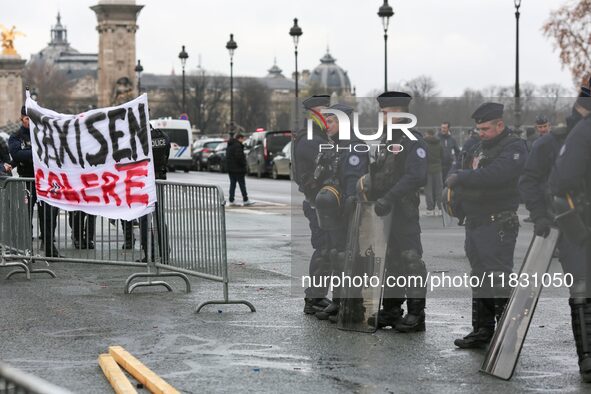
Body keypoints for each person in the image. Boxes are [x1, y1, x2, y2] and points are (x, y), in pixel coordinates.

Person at [446, 102, 527, 349]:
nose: (480, 133)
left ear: (499, 125)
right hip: (476, 222)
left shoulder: (514, 146)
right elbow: (458, 166)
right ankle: (482, 330)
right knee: (480, 278)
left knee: (499, 279)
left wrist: (463, 178)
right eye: (478, 128)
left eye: (485, 128)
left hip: (498, 222)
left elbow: (497, 174)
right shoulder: (480, 146)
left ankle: (506, 334)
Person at [364, 91, 429, 333]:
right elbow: (380, 174)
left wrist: (388, 198)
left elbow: (416, 176)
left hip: (403, 210)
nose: (383, 116)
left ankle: (416, 313)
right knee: (390, 261)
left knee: (410, 260)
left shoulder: (413, 140)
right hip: (384, 211)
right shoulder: (385, 140)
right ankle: (391, 309)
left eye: (387, 112)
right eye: (382, 112)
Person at [548, 83, 591, 382]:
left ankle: (588, 357)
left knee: (582, 290)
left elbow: (563, 180)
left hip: (583, 222)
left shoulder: (582, 132)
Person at [312, 103, 369, 321]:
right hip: (333, 213)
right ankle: (338, 301)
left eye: (332, 121)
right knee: (336, 257)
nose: (327, 125)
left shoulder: (354, 146)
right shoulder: (334, 146)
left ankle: (353, 306)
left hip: (348, 212)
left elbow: (353, 184)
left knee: (349, 259)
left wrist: (347, 210)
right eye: (326, 120)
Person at [293, 94, 332, 314]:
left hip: (322, 200)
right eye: (324, 112)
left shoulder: (317, 134)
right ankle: (314, 298)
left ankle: (317, 296)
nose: (328, 115)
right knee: (324, 249)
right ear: (313, 113)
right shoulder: (310, 138)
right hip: (317, 201)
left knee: (326, 248)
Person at [9, 106, 60, 257]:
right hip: (27, 181)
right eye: (27, 119)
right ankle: (26, 250)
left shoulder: (42, 135)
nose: (30, 123)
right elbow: (17, 154)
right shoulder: (16, 136)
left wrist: (32, 153)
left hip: (43, 181)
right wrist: (38, 152)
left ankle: (50, 248)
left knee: (48, 216)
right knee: (25, 217)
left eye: (32, 119)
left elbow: (53, 152)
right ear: (21, 119)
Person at [139, 126, 171, 262]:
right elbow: (167, 155)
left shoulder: (141, 138)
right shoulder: (163, 136)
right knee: (159, 218)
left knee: (145, 219)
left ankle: (149, 254)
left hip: (145, 181)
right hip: (159, 179)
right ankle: (164, 254)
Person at [226, 133, 253, 207]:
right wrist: (244, 164)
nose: (243, 141)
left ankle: (231, 200)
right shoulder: (238, 146)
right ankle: (245, 199)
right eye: (243, 139)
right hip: (238, 169)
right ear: (240, 138)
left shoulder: (230, 145)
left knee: (232, 185)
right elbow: (239, 158)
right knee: (242, 184)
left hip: (231, 169)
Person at [424, 128, 444, 216]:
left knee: (428, 190)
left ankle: (430, 209)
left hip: (427, 169)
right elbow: (442, 155)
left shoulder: (424, 144)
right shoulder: (439, 144)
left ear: (427, 134)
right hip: (438, 168)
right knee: (439, 189)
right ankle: (440, 208)